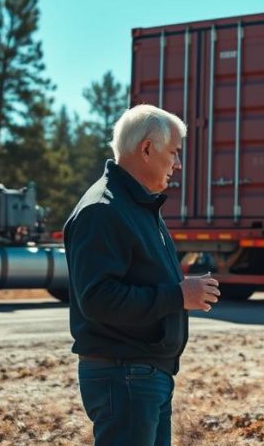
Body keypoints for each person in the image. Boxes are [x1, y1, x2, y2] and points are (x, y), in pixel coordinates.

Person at [64, 104, 221, 446]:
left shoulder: (136, 205)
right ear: (147, 148)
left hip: (143, 374)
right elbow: (98, 299)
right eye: (174, 153)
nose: (178, 165)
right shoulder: (102, 211)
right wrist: (179, 296)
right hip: (125, 375)